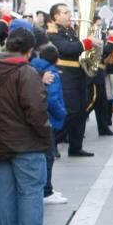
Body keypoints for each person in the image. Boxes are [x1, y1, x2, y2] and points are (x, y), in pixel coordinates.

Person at [0, 28, 53, 225]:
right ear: (29, 51)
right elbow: (37, 111)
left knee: (5, 189)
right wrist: (45, 134)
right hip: (25, 141)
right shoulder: (25, 73)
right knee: (30, 189)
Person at [48, 1, 101, 157]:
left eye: (70, 12)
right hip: (65, 74)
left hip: (79, 74)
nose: (70, 15)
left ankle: (75, 146)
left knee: (80, 112)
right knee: (70, 111)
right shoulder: (52, 33)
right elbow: (67, 49)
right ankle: (53, 142)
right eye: (66, 13)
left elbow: (80, 48)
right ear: (56, 16)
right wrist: (88, 42)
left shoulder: (71, 31)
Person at [31, 43, 68, 204]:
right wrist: (62, 113)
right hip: (48, 119)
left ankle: (48, 187)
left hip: (41, 118)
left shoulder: (34, 67)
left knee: (46, 155)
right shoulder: (51, 72)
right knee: (49, 156)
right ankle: (46, 191)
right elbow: (52, 98)